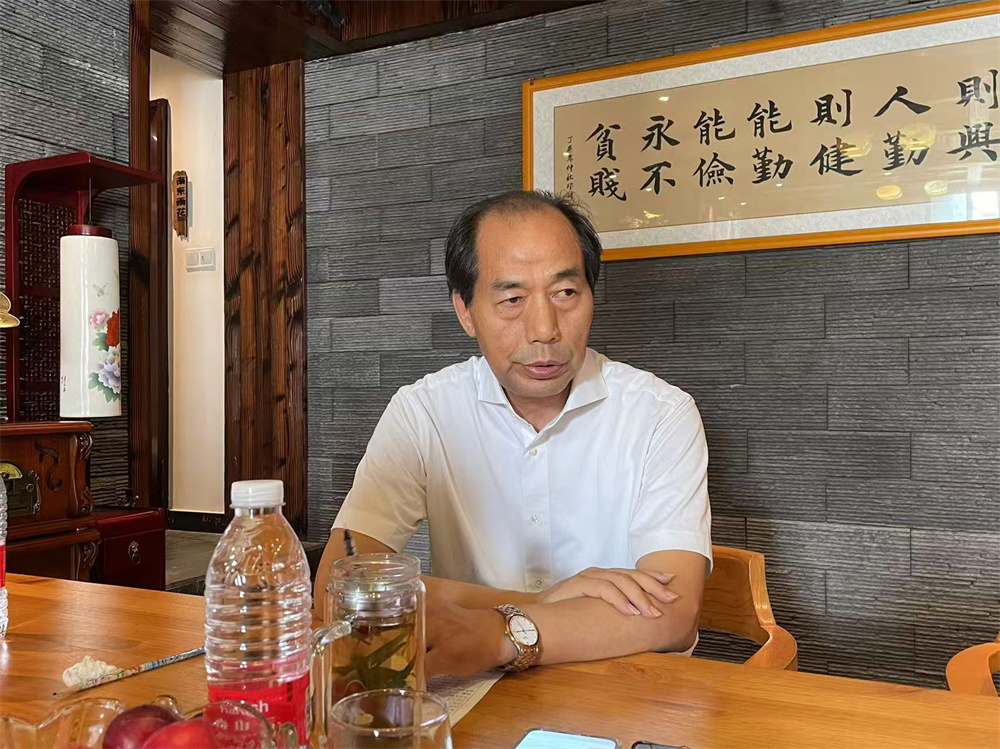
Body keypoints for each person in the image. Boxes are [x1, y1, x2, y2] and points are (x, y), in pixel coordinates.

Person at [315, 190, 712, 677]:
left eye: (566, 293)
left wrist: (499, 631)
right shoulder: (424, 411)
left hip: (624, 686)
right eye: (512, 299)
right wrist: (536, 606)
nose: (544, 329)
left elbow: (674, 613)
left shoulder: (661, 414)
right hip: (480, 686)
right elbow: (339, 586)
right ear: (465, 312)